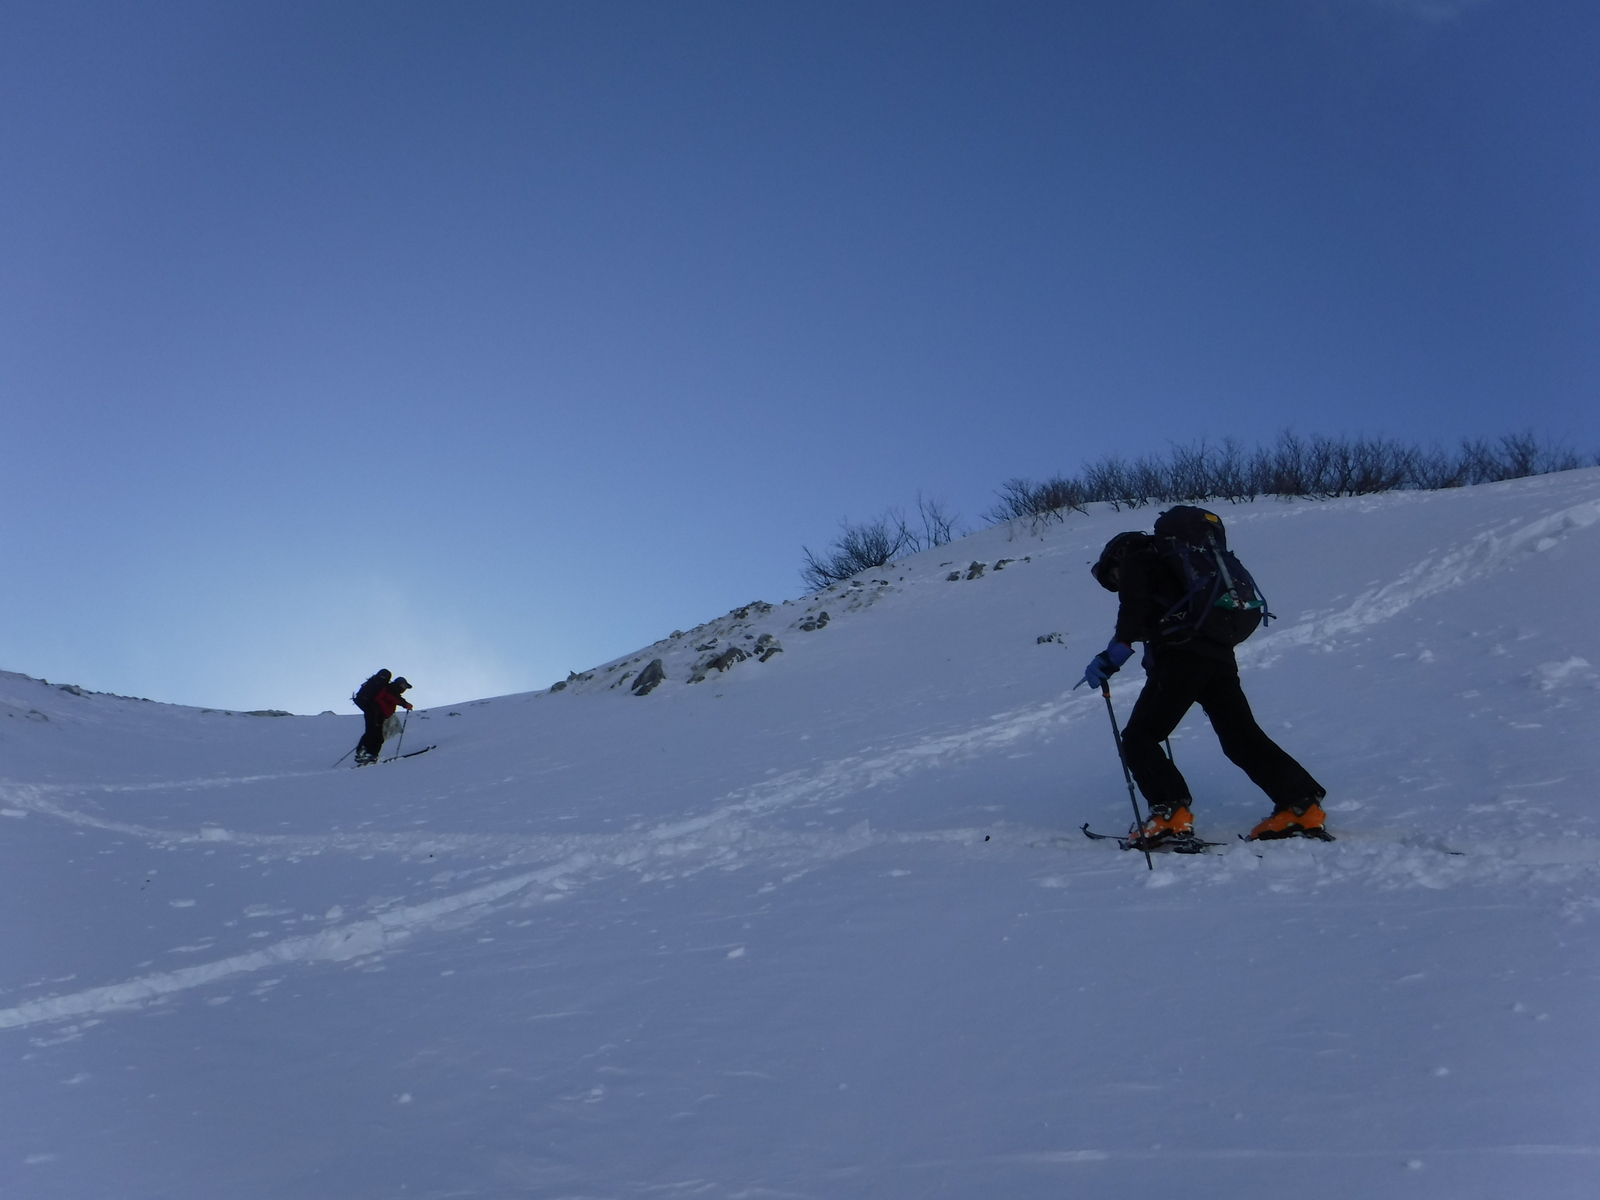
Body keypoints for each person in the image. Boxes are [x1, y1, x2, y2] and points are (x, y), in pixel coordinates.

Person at [1083, 512, 1329, 847]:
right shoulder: (1184, 565)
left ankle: (1170, 814)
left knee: (1139, 737)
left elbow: (1134, 610)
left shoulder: (1138, 561)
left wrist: (1115, 653)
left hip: (1182, 658)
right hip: (1218, 656)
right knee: (1241, 737)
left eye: (1114, 576)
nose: (1117, 581)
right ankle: (1300, 804)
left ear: (1118, 558)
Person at [353, 670, 414, 765]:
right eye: (405, 686)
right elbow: (392, 697)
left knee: (376, 734)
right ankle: (364, 753)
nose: (405, 688)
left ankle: (370, 755)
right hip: (375, 711)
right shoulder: (393, 688)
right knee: (374, 732)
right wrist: (405, 704)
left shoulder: (390, 688)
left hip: (376, 712)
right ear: (400, 683)